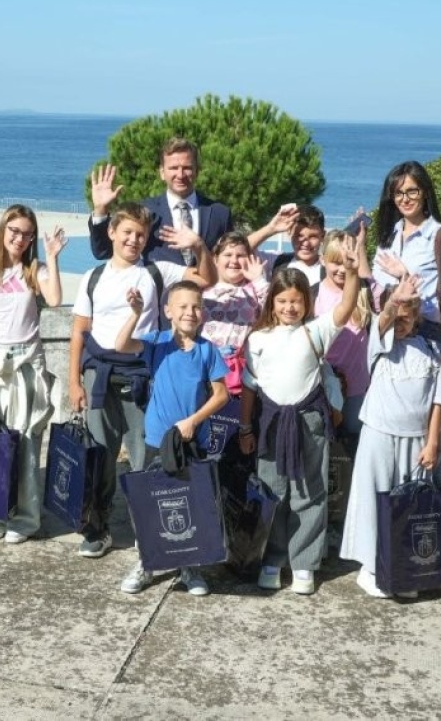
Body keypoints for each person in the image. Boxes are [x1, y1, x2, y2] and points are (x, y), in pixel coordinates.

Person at [69, 201, 216, 558]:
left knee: (143, 458)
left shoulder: (158, 270)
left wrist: (198, 246)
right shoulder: (93, 277)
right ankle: (97, 529)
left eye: (140, 234)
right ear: (112, 233)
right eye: (127, 233)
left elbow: (207, 280)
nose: (133, 240)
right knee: (100, 457)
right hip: (99, 375)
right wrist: (74, 381)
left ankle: (147, 532)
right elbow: (78, 331)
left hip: (142, 376)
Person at [239, 233, 362, 595]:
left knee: (310, 490)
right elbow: (249, 387)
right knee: (272, 491)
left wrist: (352, 273)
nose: (290, 307)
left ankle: (304, 563)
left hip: (309, 421)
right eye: (283, 300)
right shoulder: (258, 338)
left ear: (306, 303)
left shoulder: (317, 330)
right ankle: (273, 558)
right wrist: (246, 426)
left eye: (297, 301)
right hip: (271, 423)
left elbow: (345, 306)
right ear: (272, 303)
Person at [113, 280, 229, 596]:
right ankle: (146, 563)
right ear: (168, 311)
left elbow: (221, 395)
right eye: (182, 306)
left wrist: (193, 421)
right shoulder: (157, 343)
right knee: (150, 503)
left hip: (192, 440)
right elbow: (121, 344)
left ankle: (189, 567)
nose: (190, 312)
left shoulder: (208, 350)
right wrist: (135, 313)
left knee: (191, 502)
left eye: (196, 306)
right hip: (156, 440)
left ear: (203, 312)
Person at [339, 275, 441, 600]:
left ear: (416, 318)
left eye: (406, 316)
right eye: (395, 316)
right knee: (373, 499)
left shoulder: (429, 350)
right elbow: (384, 321)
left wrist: (432, 442)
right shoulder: (379, 344)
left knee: (408, 505)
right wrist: (391, 305)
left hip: (415, 441)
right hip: (379, 434)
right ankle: (371, 567)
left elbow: (438, 401)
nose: (399, 322)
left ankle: (403, 564)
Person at [0, 206, 66, 544]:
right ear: (2, 230)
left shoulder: (33, 270)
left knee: (26, 443)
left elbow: (54, 299)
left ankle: (26, 518)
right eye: (14, 230)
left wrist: (51, 257)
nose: (19, 238)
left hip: (27, 366)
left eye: (26, 233)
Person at [371, 161, 441, 382]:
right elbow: (374, 286)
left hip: (424, 333)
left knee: (421, 410)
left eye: (411, 191)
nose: (404, 199)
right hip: (385, 331)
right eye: (398, 193)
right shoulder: (389, 236)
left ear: (425, 192)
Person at [87, 137, 234, 266]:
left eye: (187, 168)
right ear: (162, 173)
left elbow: (231, 257)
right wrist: (101, 210)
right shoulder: (145, 211)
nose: (180, 174)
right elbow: (103, 252)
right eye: (173, 168)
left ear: (197, 171)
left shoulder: (219, 213)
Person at [314, 227, 376, 455]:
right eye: (335, 262)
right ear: (322, 260)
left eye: (348, 261)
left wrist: (361, 249)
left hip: (357, 384)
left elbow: (387, 302)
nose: (342, 269)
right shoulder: (313, 294)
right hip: (322, 384)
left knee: (353, 438)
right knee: (322, 441)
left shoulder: (365, 292)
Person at [200, 232, 268, 397]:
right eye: (228, 255)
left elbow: (272, 310)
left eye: (241, 255)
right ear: (215, 259)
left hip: (244, 373)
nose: (234, 260)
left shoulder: (254, 289)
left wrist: (260, 280)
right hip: (207, 369)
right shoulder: (203, 289)